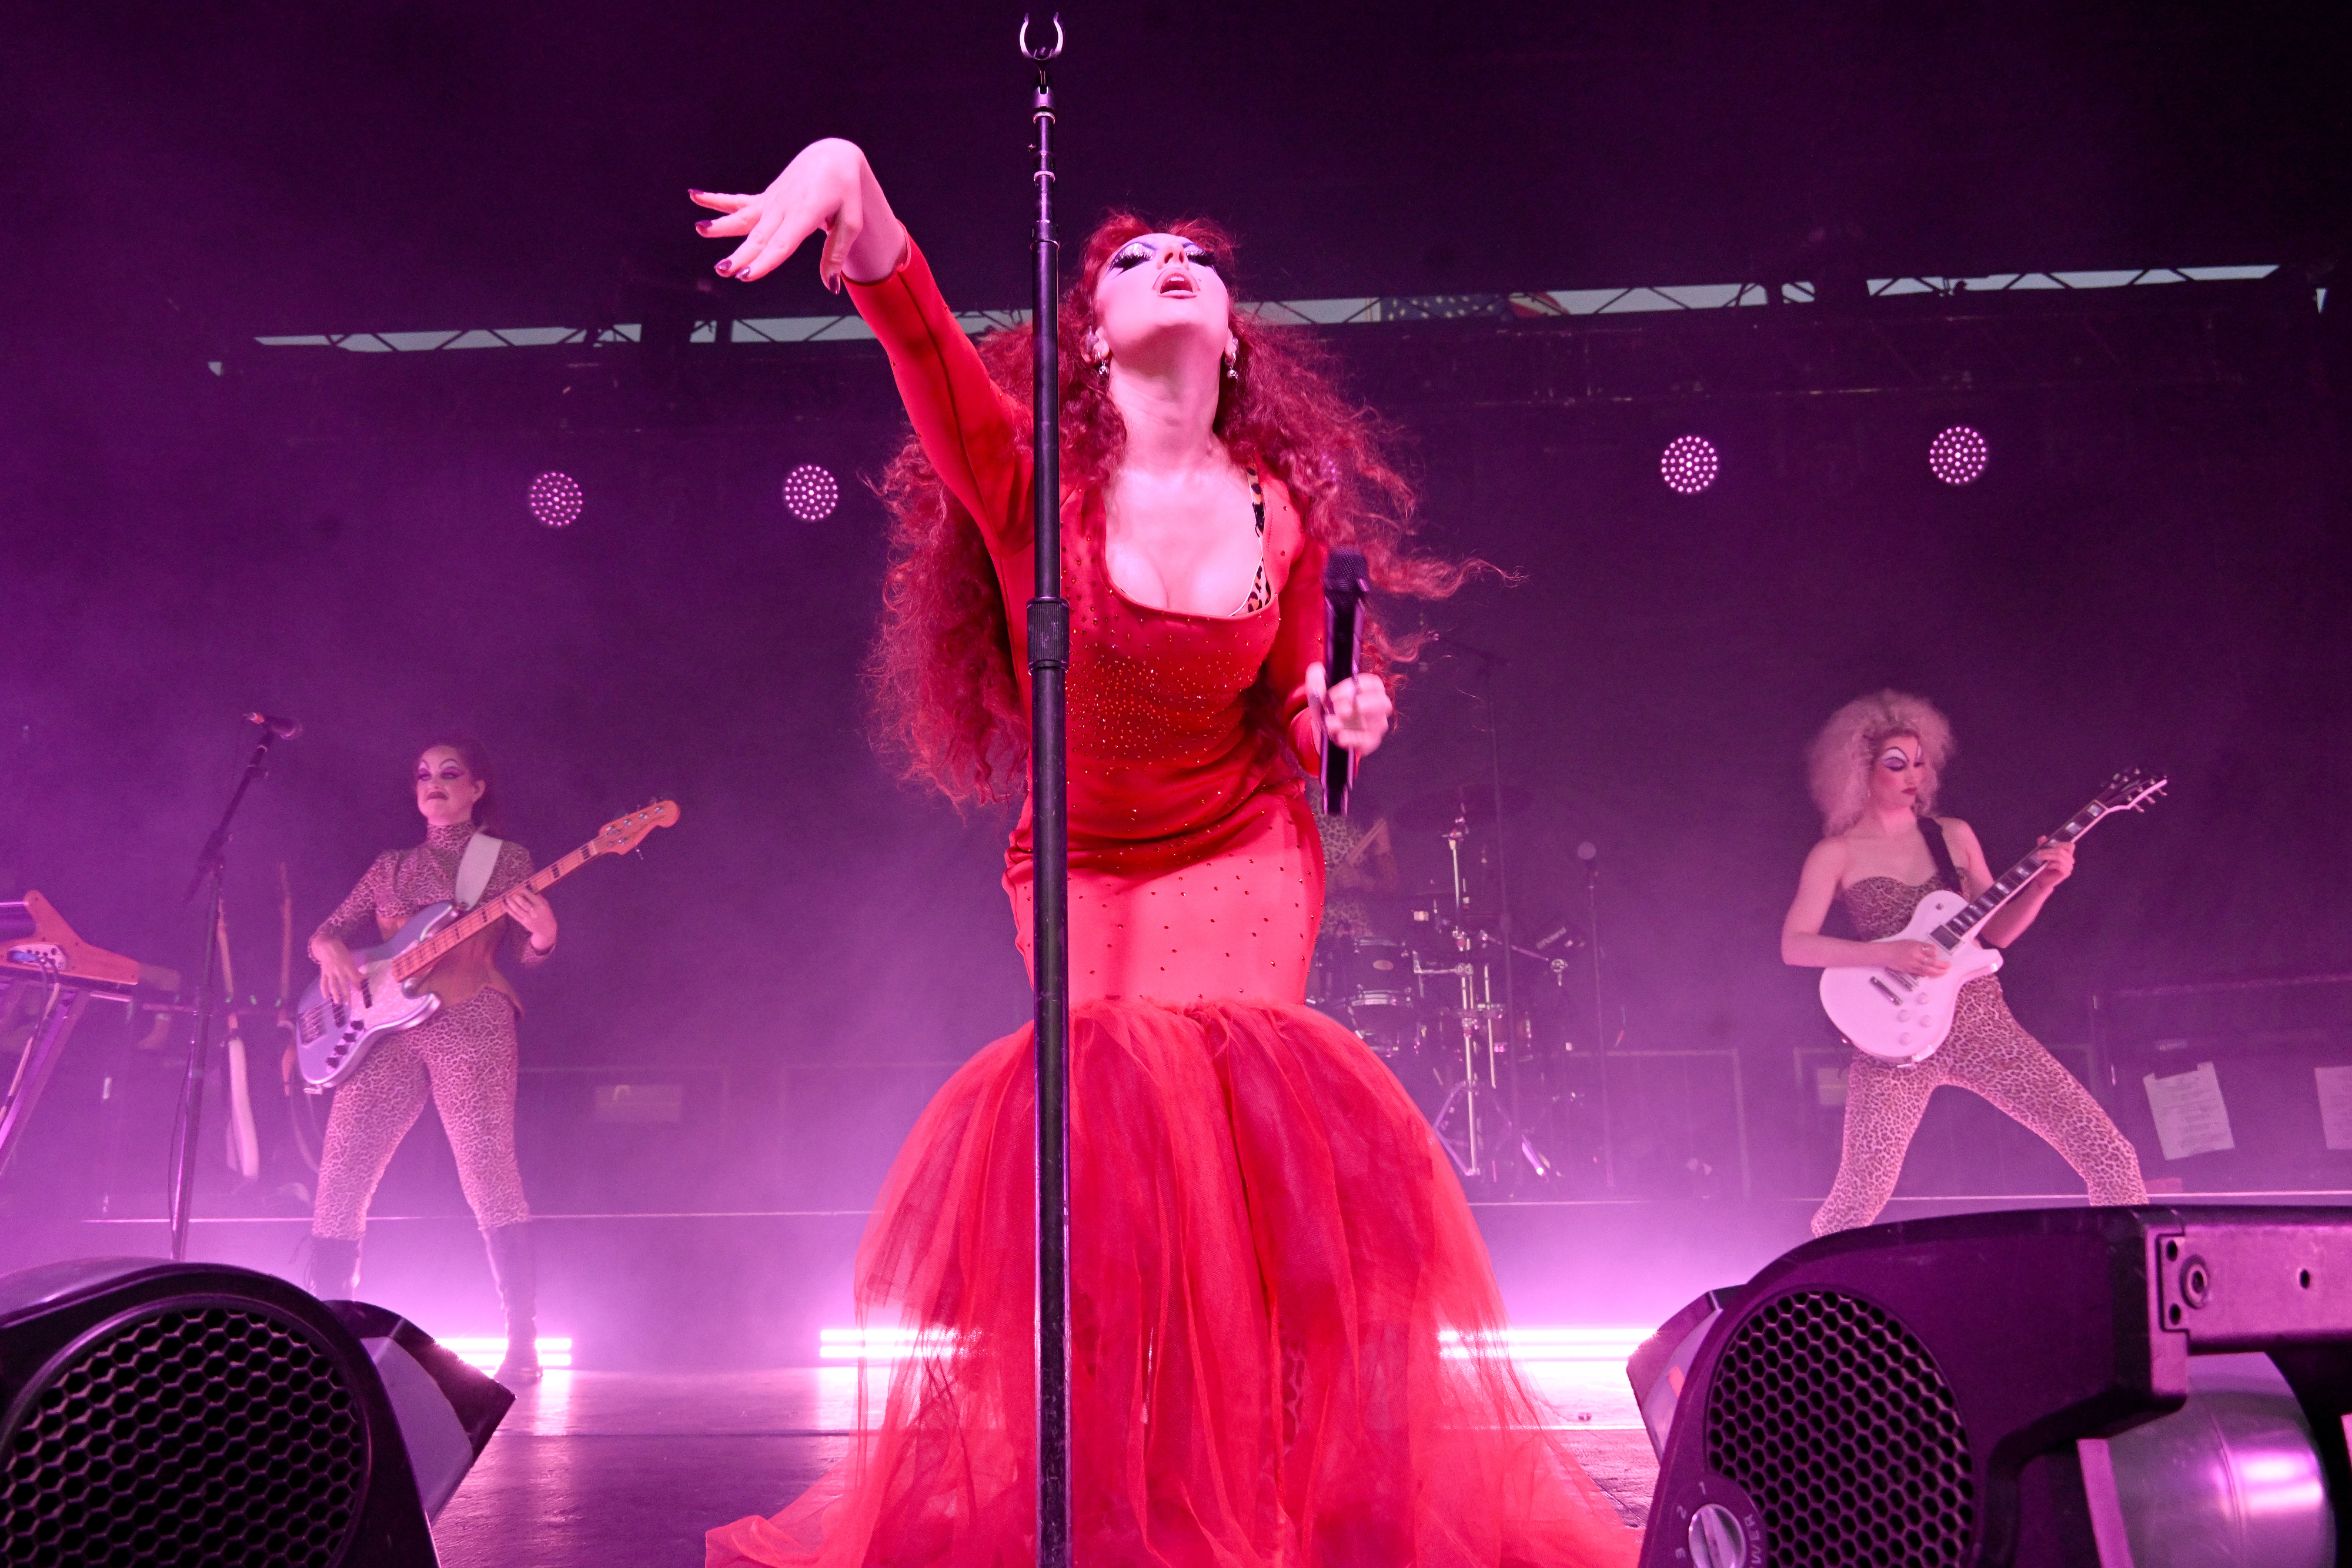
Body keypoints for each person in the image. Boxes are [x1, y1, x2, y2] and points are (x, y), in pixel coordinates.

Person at [694, 140, 1637, 1567]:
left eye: (1192, 258)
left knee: (1247, 1114)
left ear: (1232, 333)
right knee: (1115, 1139)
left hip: (1242, 839)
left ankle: (1262, 1494)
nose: (1167, 266)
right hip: (1081, 856)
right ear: (1089, 336)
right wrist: (845, 174)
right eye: (1128, 263)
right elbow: (915, 321)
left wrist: (1347, 710)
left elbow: (1306, 724)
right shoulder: (1030, 487)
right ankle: (1124, 1494)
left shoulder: (1279, 516)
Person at [1780, 690, 2146, 1237]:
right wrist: (1886, 954)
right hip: (1892, 1043)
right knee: (1858, 1197)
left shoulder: (1952, 835)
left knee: (2108, 1153)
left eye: (1920, 763)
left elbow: (1994, 930)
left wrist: (2044, 886)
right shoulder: (1836, 853)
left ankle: (2135, 1288)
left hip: (1981, 1022)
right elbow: (1797, 945)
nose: (1913, 776)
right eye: (1895, 764)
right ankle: (1813, 1306)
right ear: (1860, 770)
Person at [305, 738, 557, 1383]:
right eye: (423, 774)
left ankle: (523, 1344)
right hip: (385, 1028)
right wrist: (328, 947)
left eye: (450, 773)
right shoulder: (390, 866)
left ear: (477, 789)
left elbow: (527, 953)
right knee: (340, 1178)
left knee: (485, 1170)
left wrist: (544, 937)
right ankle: (326, 1339)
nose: (433, 782)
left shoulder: (507, 860)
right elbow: (329, 930)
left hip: (470, 1015)